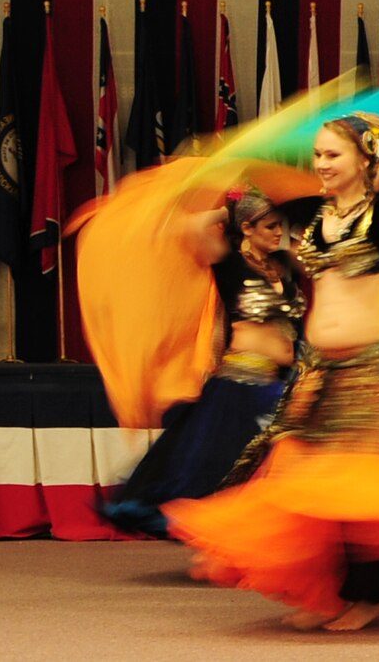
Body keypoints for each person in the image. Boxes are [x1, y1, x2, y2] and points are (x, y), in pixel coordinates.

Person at [99, 188, 304, 538]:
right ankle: (220, 533)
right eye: (269, 226)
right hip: (242, 383)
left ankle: (262, 539)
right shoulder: (230, 264)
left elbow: (321, 252)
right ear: (248, 228)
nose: (277, 233)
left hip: (283, 383)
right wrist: (230, 210)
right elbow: (187, 228)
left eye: (279, 226)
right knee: (222, 466)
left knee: (278, 466)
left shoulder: (284, 264)